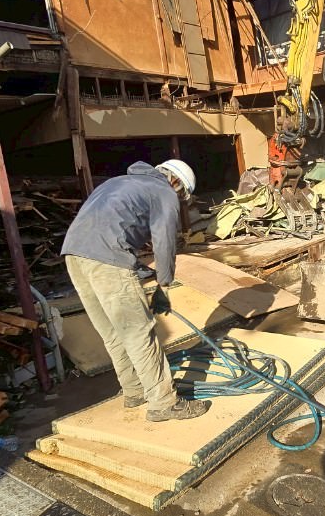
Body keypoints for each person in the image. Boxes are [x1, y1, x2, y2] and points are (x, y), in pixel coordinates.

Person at [60, 159, 212, 422]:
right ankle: (164, 403)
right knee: (139, 332)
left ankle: (134, 390)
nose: (178, 199)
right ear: (176, 183)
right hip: (107, 257)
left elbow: (106, 224)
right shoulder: (163, 191)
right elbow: (164, 242)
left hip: (74, 255)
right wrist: (164, 285)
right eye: (181, 195)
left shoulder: (118, 181)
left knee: (112, 331)